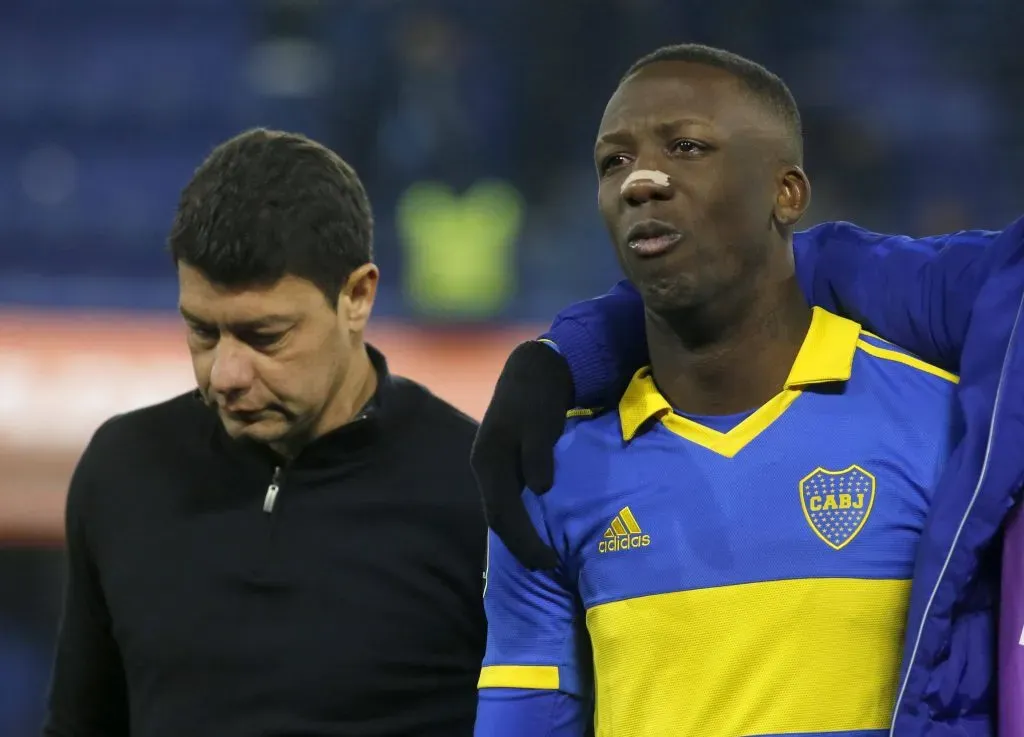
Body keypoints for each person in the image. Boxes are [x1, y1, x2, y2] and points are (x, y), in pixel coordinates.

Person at [472, 47, 1024, 737]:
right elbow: (805, 263)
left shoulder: (947, 438)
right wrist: (556, 356)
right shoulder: (559, 474)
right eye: (613, 161)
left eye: (687, 146)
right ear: (785, 192)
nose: (640, 179)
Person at [44, 129, 487, 737]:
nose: (225, 375)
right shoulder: (123, 470)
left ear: (356, 297)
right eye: (202, 332)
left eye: (265, 337)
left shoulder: (478, 489)